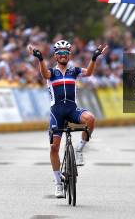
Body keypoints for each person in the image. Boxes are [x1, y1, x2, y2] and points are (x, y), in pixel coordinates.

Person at [28, 39, 107, 198]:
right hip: (57, 113)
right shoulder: (51, 73)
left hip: (72, 110)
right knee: (54, 148)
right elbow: (44, 74)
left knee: (90, 119)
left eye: (66, 53)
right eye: (60, 53)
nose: (63, 55)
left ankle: (79, 149)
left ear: (69, 55)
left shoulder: (74, 71)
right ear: (56, 56)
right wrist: (40, 58)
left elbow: (89, 73)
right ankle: (58, 183)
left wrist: (94, 58)